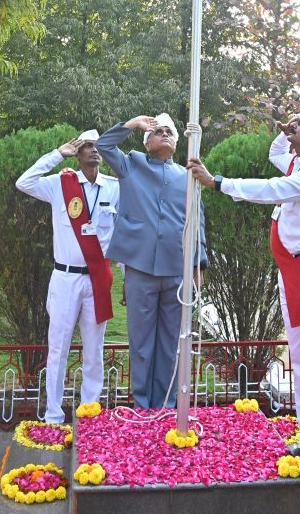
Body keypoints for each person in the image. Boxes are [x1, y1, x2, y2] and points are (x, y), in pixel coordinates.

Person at [189, 103, 300, 486]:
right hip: (294, 275)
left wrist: (219, 183)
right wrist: (287, 129)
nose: (295, 129)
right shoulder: (298, 162)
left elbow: (275, 189)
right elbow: (277, 153)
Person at [97, 113, 207, 410]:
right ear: (147, 143)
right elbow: (104, 145)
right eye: (157, 131)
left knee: (171, 340)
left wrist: (198, 265)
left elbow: (198, 221)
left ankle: (167, 404)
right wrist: (132, 124)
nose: (165, 135)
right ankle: (143, 403)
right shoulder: (132, 165)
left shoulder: (187, 176)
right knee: (142, 341)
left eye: (169, 131)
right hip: (141, 267)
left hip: (177, 268)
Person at [16, 130, 119, 424]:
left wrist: (126, 278)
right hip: (65, 278)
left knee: (94, 348)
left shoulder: (113, 188)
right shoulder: (61, 184)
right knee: (58, 346)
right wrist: (57, 154)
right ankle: (53, 413)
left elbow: (120, 236)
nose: (94, 151)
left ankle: (89, 411)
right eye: (87, 146)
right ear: (77, 151)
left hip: (98, 278)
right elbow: (23, 182)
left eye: (97, 147)